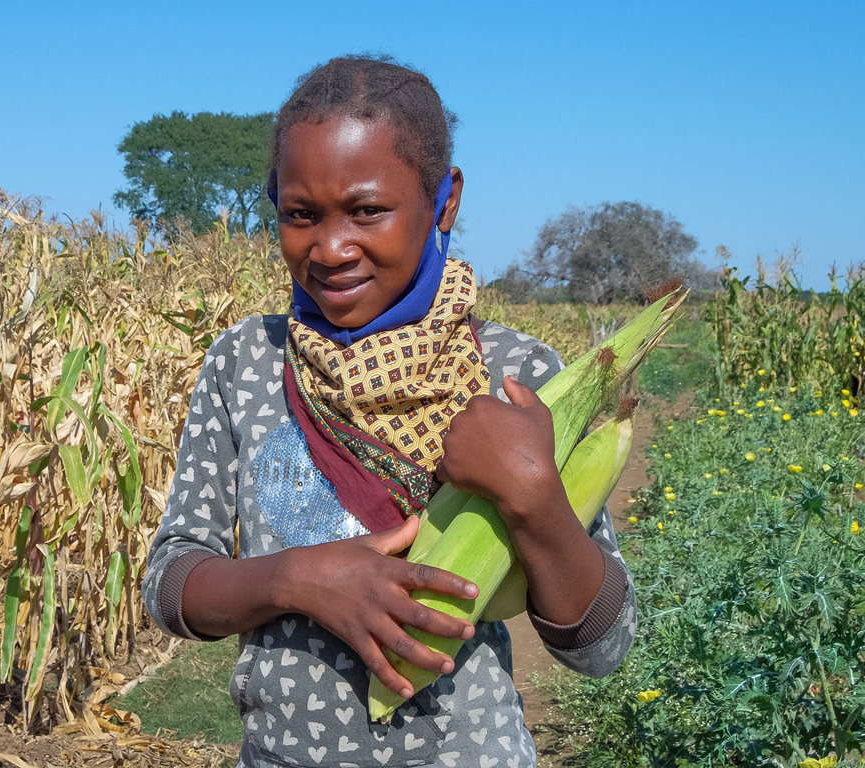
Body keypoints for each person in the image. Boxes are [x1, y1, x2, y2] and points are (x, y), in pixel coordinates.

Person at [143, 54, 636, 767]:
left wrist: (534, 496)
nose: (331, 248)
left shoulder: (515, 379)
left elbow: (604, 648)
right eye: (299, 214)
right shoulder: (247, 363)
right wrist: (296, 579)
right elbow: (170, 582)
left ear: (445, 200)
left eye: (368, 210)